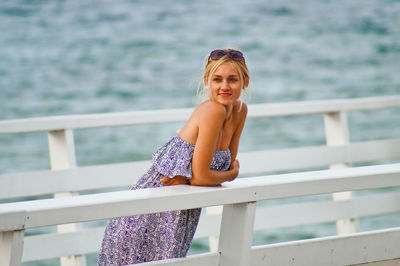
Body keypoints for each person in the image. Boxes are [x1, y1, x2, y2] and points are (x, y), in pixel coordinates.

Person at [98, 48, 250, 265]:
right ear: (207, 81)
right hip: (146, 218)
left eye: (232, 79)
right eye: (217, 79)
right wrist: (229, 175)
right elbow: (206, 177)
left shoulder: (240, 111)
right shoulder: (212, 111)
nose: (224, 86)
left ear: (245, 82)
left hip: (176, 215)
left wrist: (213, 175)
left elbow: (223, 166)